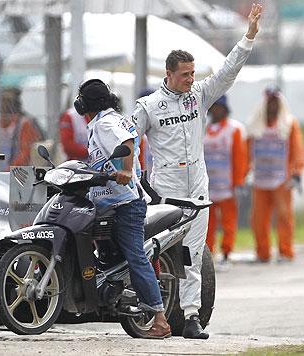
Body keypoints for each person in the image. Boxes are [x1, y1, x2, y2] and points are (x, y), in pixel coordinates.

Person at [131, 4, 262, 339]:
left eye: (193, 73)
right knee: (155, 253)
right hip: (164, 192)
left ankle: (191, 317)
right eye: (185, 75)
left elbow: (227, 73)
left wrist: (248, 37)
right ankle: (148, 311)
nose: (191, 79)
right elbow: (128, 142)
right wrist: (135, 180)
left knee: (192, 254)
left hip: (197, 191)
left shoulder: (199, 96)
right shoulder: (149, 106)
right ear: (169, 74)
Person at [73, 78, 171, 339]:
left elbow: (127, 143)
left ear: (84, 104)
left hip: (124, 203)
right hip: (108, 201)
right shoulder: (107, 119)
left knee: (135, 256)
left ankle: (160, 319)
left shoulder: (105, 123)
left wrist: (127, 170)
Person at [246, 86, 304, 263]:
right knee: (258, 218)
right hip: (260, 179)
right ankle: (263, 252)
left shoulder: (289, 123)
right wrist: (245, 172)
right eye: (269, 102)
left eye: (275, 102)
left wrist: (296, 173)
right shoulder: (255, 124)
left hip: (281, 179)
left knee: (284, 216)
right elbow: (247, 150)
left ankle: (286, 252)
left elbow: (296, 149)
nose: (272, 106)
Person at [204, 95, 247, 266]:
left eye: (218, 107)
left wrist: (238, 182)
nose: (215, 110)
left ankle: (227, 253)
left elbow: (239, 157)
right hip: (208, 186)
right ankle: (208, 254)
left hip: (227, 187)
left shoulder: (234, 129)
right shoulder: (204, 128)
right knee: (209, 223)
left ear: (224, 108)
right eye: (213, 107)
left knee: (228, 221)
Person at [0, 87, 44, 171]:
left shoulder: (24, 123)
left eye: (8, 103)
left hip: (17, 172)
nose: (5, 106)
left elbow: (26, 153)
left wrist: (8, 170)